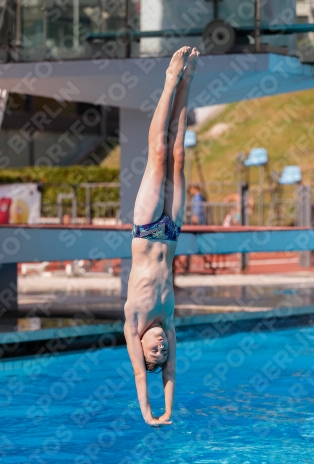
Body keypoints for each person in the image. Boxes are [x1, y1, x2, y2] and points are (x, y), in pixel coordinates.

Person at [124, 47, 199, 427]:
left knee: (157, 153)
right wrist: (170, 409)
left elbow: (144, 376)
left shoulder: (133, 321)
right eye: (163, 349)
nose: (161, 345)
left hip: (147, 227)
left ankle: (170, 80)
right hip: (170, 232)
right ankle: (188, 82)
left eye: (154, 350)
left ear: (140, 347)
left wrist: (151, 413)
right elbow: (169, 373)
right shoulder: (168, 322)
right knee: (179, 155)